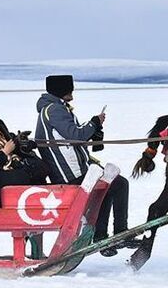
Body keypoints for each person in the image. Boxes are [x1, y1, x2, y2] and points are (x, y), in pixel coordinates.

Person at [35, 75, 140, 256]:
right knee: (119, 184)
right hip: (69, 173)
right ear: (62, 90)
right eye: (70, 90)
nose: (72, 94)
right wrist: (94, 123)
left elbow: (70, 136)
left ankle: (103, 238)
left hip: (73, 169)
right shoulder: (54, 110)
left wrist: (94, 130)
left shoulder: (53, 108)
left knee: (108, 188)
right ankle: (118, 234)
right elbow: (76, 135)